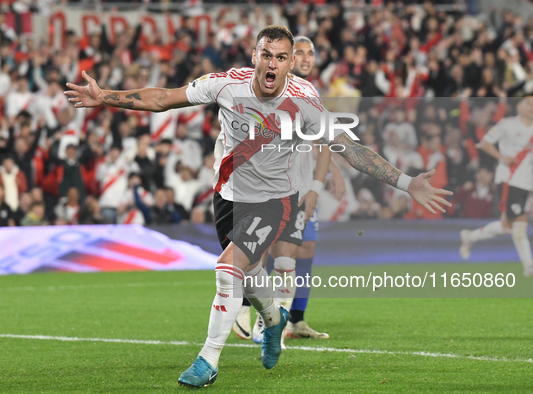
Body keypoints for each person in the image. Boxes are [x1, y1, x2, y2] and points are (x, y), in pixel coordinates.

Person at [65, 25, 451, 388]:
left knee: (228, 269)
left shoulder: (304, 102)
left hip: (273, 202)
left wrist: (406, 182)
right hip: (228, 195)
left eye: (281, 57)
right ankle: (274, 317)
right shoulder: (226, 84)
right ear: (254, 56)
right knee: (248, 276)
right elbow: (163, 98)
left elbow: (350, 149)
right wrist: (105, 97)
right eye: (266, 54)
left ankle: (208, 360)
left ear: (288, 62)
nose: (273, 63)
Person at [235, 36, 346, 344]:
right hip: (274, 187)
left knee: (301, 251)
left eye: (311, 52)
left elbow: (319, 138)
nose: (307, 57)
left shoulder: (309, 93)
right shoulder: (273, 88)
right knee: (271, 252)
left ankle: (293, 318)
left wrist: (326, 173)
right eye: (300, 52)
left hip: (303, 184)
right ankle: (251, 311)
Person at [460, 96, 533, 276]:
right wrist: (502, 158)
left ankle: (470, 237)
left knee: (508, 225)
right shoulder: (507, 124)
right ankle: (529, 267)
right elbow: (484, 143)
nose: (532, 107)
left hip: (527, 182)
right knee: (519, 223)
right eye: (529, 103)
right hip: (509, 179)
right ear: (519, 106)